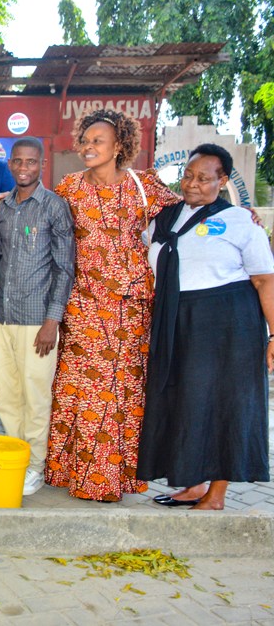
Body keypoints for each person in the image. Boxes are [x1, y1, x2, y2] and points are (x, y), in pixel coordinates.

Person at [45, 109, 179, 502]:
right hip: (82, 304)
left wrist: (239, 215)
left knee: (122, 392)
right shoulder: (69, 187)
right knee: (79, 389)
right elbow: (41, 214)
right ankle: (73, 473)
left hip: (129, 308)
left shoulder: (144, 186)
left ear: (119, 145)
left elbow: (189, 210)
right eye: (85, 141)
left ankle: (113, 478)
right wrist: (5, 200)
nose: (88, 147)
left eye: (97, 141)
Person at [138, 144, 274, 510]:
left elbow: (265, 280)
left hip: (228, 325)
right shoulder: (164, 218)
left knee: (224, 402)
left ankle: (216, 493)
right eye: (188, 176)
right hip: (177, 319)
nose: (192, 184)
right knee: (187, 400)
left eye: (203, 178)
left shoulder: (239, 221)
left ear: (222, 180)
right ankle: (194, 484)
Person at [0, 138, 74, 494]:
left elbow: (64, 268)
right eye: (18, 161)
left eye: (31, 162)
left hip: (38, 321)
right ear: (10, 164)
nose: (24, 167)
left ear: (42, 165)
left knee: (35, 396)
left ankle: (35, 465)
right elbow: (1, 264)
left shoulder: (54, 207)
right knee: (6, 396)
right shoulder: (3, 208)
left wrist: (53, 321)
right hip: (4, 316)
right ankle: (15, 458)